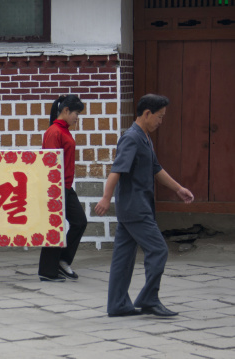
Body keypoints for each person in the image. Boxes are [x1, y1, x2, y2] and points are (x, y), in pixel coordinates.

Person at [94, 94, 194, 317]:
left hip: (134, 208)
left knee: (123, 256)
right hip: (135, 208)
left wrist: (178, 189)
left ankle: (118, 304)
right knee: (158, 250)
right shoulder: (131, 138)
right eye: (159, 116)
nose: (161, 121)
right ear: (147, 113)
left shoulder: (144, 138)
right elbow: (116, 171)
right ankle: (149, 298)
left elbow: (156, 169)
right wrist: (105, 197)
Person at [38, 95, 88, 282]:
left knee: (78, 222)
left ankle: (60, 262)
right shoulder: (54, 132)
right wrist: (54, 190)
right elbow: (50, 163)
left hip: (65, 186)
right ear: (66, 110)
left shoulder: (63, 130)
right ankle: (49, 270)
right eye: (76, 113)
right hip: (57, 187)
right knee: (56, 226)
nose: (77, 117)